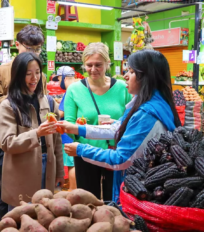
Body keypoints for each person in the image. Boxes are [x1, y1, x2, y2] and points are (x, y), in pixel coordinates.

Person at [60, 50, 181, 202]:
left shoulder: (146, 114)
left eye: (131, 71)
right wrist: (78, 129)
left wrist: (81, 149)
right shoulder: (148, 103)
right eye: (89, 65)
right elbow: (117, 127)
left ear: (147, 76)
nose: (125, 76)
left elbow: (121, 159)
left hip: (140, 187)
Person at [0, 25, 47, 217]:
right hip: (8, 138)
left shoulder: (40, 74)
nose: (33, 53)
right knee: (9, 188)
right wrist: (16, 96)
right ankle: (6, 223)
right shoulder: (2, 71)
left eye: (37, 49)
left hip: (34, 139)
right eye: (29, 48)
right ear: (17, 45)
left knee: (33, 188)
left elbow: (40, 103)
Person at [0, 52, 64, 209]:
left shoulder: (49, 102)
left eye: (38, 73)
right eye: (28, 74)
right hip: (22, 172)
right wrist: (37, 133)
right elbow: (7, 143)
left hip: (48, 166)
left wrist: (59, 171)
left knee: (45, 213)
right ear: (18, 75)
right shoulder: (8, 106)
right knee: (23, 217)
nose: (35, 78)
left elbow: (57, 140)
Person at [64, 42, 131, 201]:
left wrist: (118, 125)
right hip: (86, 154)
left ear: (108, 64)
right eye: (89, 65)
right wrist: (77, 136)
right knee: (88, 202)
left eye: (98, 65)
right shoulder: (74, 89)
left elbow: (130, 118)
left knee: (115, 200)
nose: (93, 69)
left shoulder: (122, 88)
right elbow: (69, 122)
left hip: (115, 154)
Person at [52, 66, 77, 190]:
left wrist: (50, 109)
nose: (58, 82)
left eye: (59, 79)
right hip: (76, 132)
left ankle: (73, 191)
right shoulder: (77, 89)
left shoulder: (70, 91)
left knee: (71, 165)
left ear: (64, 78)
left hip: (67, 136)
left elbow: (60, 114)